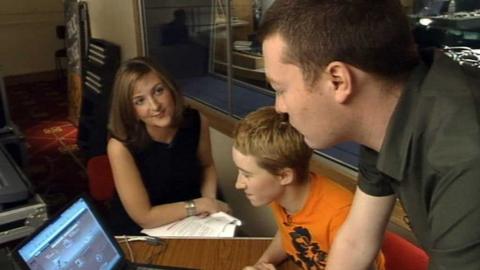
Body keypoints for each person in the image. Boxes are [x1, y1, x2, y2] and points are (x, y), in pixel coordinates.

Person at [257, 0, 480, 269]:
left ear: (338, 80)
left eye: (280, 89)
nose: (278, 108)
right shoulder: (391, 111)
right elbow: (356, 240)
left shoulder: (464, 159)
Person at [232, 107, 385, 270]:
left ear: (284, 176)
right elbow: (287, 233)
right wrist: (261, 264)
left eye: (247, 175)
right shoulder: (279, 195)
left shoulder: (340, 217)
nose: (238, 184)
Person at [107, 57, 229, 235]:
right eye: (139, 101)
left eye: (158, 91)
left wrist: (209, 200)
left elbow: (206, 166)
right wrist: (198, 206)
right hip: (144, 228)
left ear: (170, 88)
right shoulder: (120, 146)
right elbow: (144, 217)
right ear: (130, 110)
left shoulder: (196, 120)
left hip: (192, 217)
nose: (155, 106)